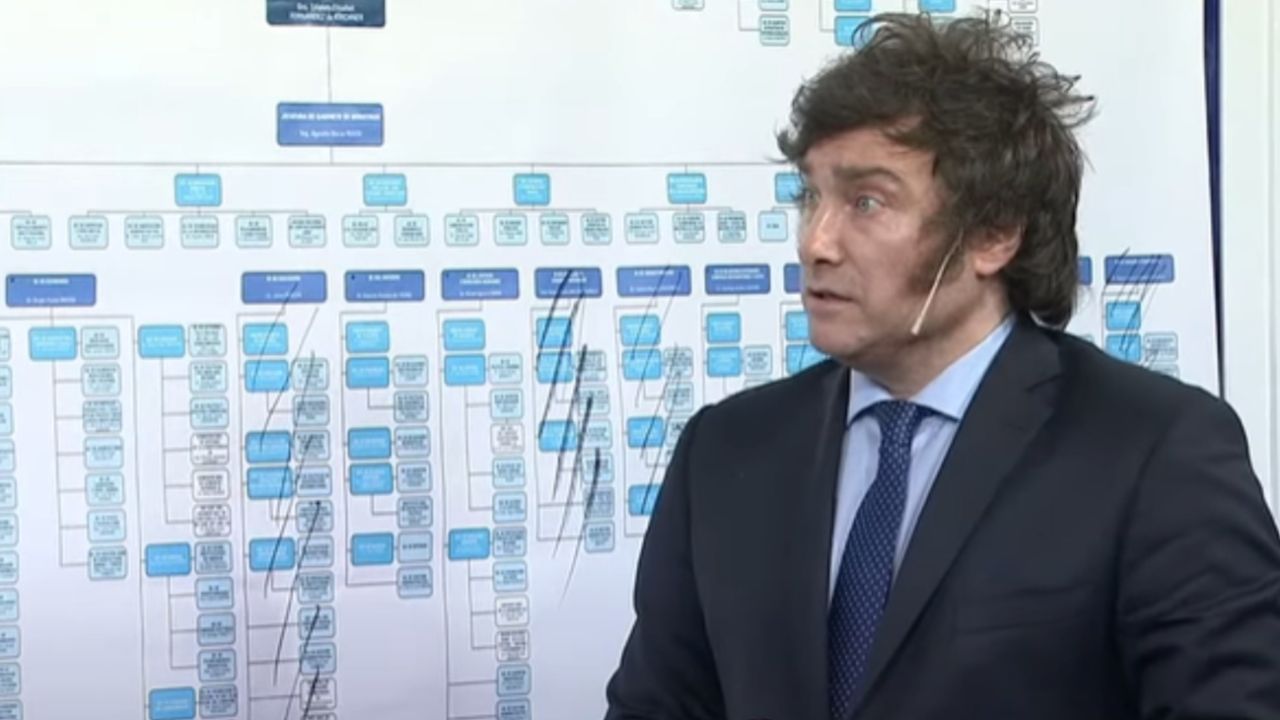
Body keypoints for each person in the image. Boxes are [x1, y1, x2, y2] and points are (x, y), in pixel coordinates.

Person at [603, 10, 1280, 720]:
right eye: (811, 196)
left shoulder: (1152, 449)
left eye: (866, 201)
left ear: (993, 234)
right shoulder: (727, 450)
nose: (816, 242)